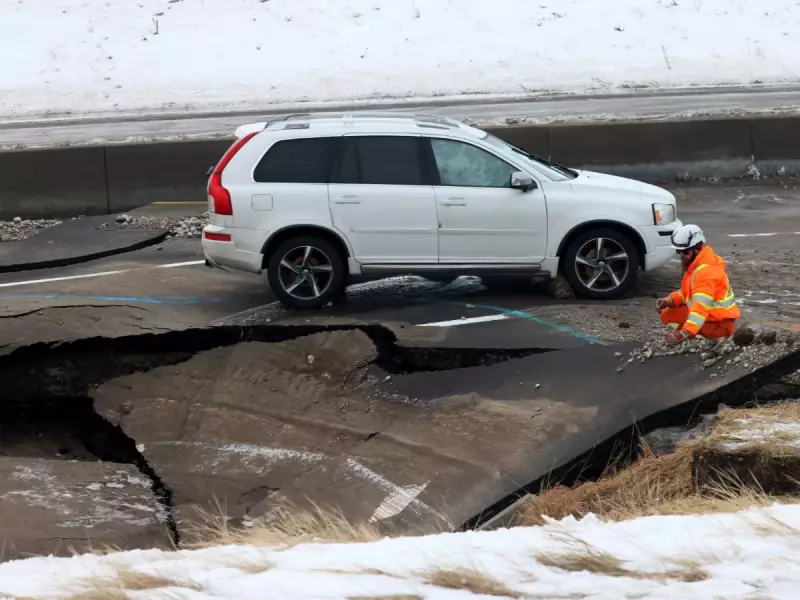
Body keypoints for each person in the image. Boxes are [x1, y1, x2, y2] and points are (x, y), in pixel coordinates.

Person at [655, 224, 740, 347]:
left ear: (698, 247)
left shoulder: (706, 273)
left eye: (685, 252)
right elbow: (689, 292)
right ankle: (695, 332)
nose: (682, 256)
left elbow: (700, 307)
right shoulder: (697, 267)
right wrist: (670, 300)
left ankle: (703, 337)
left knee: (674, 317)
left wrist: (685, 333)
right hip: (713, 318)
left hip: (719, 325)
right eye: (679, 251)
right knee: (667, 313)